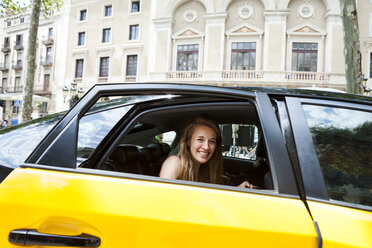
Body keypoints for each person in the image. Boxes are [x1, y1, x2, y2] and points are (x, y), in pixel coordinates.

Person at [159, 114, 254, 189]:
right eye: (200, 139)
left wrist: (237, 190)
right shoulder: (175, 163)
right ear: (188, 141)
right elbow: (163, 201)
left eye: (212, 141)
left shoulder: (206, 169)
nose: (206, 147)